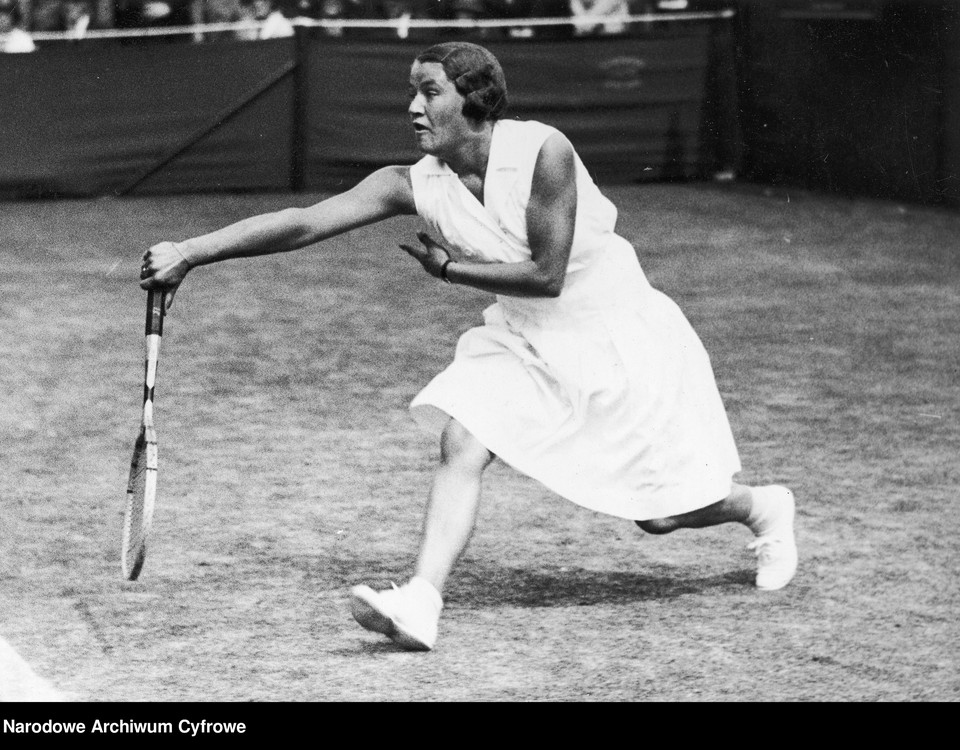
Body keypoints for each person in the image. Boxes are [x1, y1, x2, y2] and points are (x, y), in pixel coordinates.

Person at [140, 41, 798, 652]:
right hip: (521, 336)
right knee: (462, 438)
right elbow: (305, 223)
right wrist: (192, 252)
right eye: (411, 92)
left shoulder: (545, 152)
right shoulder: (412, 183)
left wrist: (450, 271)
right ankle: (421, 599)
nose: (412, 107)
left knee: (661, 515)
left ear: (474, 98)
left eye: (428, 91)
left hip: (616, 333)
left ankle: (763, 506)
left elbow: (547, 273)